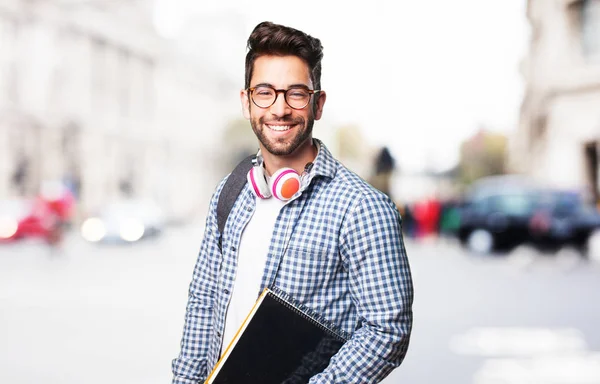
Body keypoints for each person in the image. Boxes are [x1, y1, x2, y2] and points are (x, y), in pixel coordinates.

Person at [172, 21, 414, 384]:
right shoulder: (230, 191)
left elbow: (386, 332)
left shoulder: (362, 208)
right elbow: (203, 303)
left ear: (318, 104)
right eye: (265, 92)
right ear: (246, 102)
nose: (280, 109)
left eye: (296, 93)